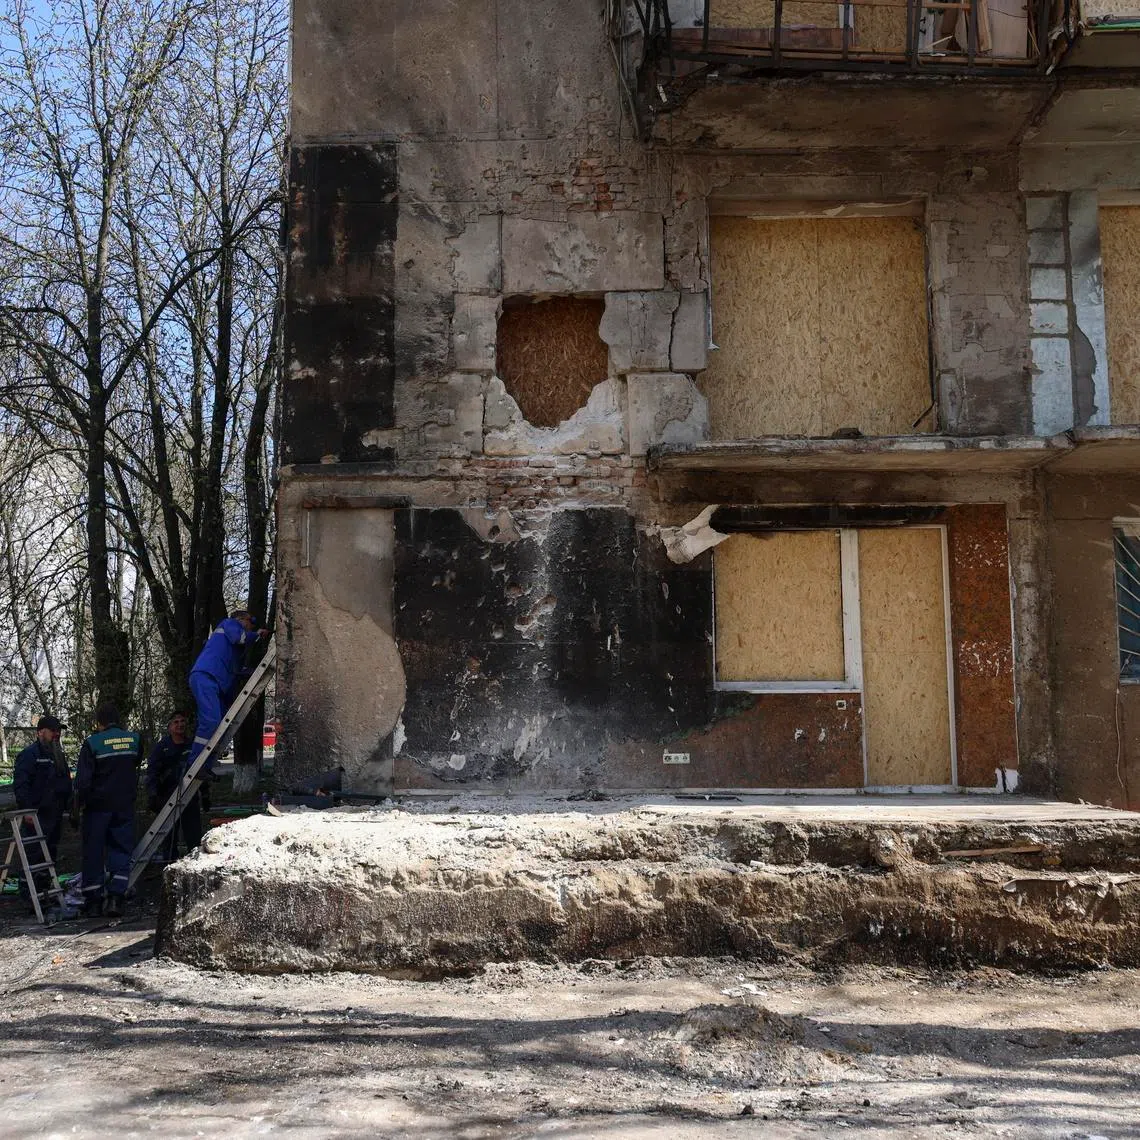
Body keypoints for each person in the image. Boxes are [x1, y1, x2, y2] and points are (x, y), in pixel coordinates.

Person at [75, 703, 141, 917]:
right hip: (124, 805)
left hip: (98, 807)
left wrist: (77, 807)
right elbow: (135, 766)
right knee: (121, 850)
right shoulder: (134, 739)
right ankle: (116, 898)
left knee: (93, 851)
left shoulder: (92, 743)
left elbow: (83, 782)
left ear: (99, 722)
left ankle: (93, 902)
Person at [189, 609, 269, 773]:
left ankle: (205, 765)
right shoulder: (229, 624)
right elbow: (239, 638)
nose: (250, 627)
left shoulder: (233, 650)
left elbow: (235, 669)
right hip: (207, 677)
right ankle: (194, 764)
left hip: (217, 684)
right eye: (249, 622)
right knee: (211, 722)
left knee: (221, 727)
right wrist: (257, 634)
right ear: (240, 619)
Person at [12, 714, 72, 906]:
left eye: (58, 731)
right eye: (53, 730)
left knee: (50, 853)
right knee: (33, 854)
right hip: (36, 815)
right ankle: (30, 896)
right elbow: (21, 785)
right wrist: (27, 810)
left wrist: (70, 807)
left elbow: (64, 782)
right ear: (40, 732)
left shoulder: (57, 755)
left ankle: (47, 893)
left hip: (54, 814)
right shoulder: (29, 755)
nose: (56, 734)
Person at [145, 711, 205, 862]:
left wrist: (205, 795)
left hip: (189, 797)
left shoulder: (192, 746)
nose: (180, 725)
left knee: (194, 837)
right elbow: (152, 772)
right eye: (176, 722)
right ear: (169, 726)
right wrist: (152, 794)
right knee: (169, 838)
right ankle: (169, 866)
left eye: (182, 721)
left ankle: (195, 866)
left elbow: (201, 771)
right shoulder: (162, 747)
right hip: (167, 798)